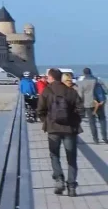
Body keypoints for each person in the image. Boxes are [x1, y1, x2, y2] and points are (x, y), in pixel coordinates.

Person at [37, 68, 83, 196]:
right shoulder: (71, 91)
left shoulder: (47, 91)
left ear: (51, 78)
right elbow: (80, 109)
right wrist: (74, 122)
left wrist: (47, 122)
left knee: (54, 155)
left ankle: (59, 180)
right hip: (69, 129)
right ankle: (72, 186)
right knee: (71, 158)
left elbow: (40, 110)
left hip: (53, 129)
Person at [76, 67, 107, 144]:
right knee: (102, 120)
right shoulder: (97, 80)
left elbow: (80, 95)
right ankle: (105, 137)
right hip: (99, 103)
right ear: (91, 72)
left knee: (92, 122)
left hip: (88, 104)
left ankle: (95, 139)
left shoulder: (82, 83)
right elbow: (105, 90)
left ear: (84, 74)